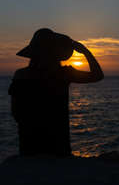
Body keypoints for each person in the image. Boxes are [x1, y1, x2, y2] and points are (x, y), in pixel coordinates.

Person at [8, 28, 104, 156]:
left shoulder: (21, 75)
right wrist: (85, 51)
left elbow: (16, 112)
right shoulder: (64, 73)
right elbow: (97, 75)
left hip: (29, 145)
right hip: (58, 146)